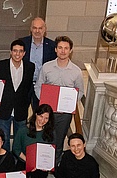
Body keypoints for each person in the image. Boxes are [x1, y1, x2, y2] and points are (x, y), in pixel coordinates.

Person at [34, 36, 85, 165]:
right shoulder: (47, 67)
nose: (63, 51)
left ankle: (55, 165)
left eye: (66, 48)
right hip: (47, 113)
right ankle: (42, 164)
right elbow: (38, 85)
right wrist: (44, 101)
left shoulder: (76, 71)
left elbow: (80, 92)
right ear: (56, 49)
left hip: (64, 114)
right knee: (44, 139)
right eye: (60, 48)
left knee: (59, 140)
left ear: (70, 51)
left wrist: (70, 104)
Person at [0, 39, 35, 152]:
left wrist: (26, 104)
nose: (18, 54)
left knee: (19, 140)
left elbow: (29, 88)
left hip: (21, 110)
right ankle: (6, 162)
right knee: (4, 139)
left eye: (20, 51)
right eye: (15, 51)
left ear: (24, 53)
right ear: (11, 52)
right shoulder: (0, 66)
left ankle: (17, 163)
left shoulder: (30, 67)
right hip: (4, 109)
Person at [21, 17, 57, 110]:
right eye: (34, 28)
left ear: (45, 29)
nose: (37, 31)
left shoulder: (52, 46)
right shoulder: (22, 43)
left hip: (43, 85)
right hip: (25, 84)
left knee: (40, 112)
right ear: (31, 29)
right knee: (21, 112)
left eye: (40, 28)